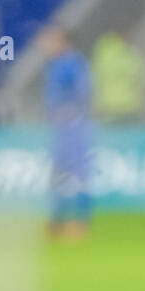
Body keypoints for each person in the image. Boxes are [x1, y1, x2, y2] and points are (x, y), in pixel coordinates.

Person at [41, 26, 94, 240]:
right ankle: (58, 221)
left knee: (79, 173)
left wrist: (71, 111)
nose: (46, 46)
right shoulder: (56, 65)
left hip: (74, 126)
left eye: (50, 41)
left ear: (62, 41)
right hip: (61, 127)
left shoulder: (73, 63)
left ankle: (80, 223)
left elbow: (83, 91)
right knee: (59, 175)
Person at [91, 29, 145, 123]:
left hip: (107, 106)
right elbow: (141, 76)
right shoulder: (128, 53)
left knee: (112, 136)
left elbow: (95, 79)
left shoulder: (101, 54)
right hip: (129, 105)